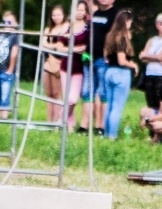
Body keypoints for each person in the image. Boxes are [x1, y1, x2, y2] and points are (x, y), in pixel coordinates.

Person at [78, 0, 118, 136]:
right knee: (87, 91)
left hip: (103, 59)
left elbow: (116, 36)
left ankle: (101, 126)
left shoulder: (115, 14)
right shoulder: (96, 14)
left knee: (102, 92)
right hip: (89, 57)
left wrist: (109, 54)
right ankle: (84, 126)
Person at [102, 10, 139, 140]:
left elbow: (106, 57)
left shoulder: (110, 36)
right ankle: (112, 137)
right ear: (126, 21)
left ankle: (106, 134)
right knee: (117, 108)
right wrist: (133, 65)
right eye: (130, 22)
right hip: (121, 73)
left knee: (109, 106)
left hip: (109, 72)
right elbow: (121, 60)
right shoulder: (122, 38)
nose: (130, 25)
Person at [56, 1, 90, 131]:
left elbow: (89, 46)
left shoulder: (87, 29)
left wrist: (85, 49)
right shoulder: (67, 26)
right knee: (66, 98)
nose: (80, 12)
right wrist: (74, 49)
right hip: (66, 66)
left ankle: (60, 120)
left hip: (79, 68)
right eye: (78, 9)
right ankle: (69, 126)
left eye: (82, 10)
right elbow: (59, 47)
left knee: (73, 99)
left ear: (85, 12)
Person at [138, 12, 162, 110]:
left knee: (160, 103)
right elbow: (142, 58)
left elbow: (160, 57)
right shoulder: (151, 40)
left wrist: (147, 56)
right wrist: (155, 58)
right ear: (157, 24)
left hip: (161, 75)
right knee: (150, 103)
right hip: (149, 74)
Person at [41, 5, 69, 124]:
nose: (56, 17)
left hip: (59, 64)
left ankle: (57, 122)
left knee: (57, 94)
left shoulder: (67, 27)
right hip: (48, 63)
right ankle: (49, 121)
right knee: (49, 94)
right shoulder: (48, 29)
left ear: (63, 15)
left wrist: (50, 46)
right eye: (54, 15)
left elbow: (61, 46)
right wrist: (53, 46)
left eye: (58, 15)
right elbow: (43, 43)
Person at [0, 11, 21, 120]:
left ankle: (4, 118)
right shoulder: (1, 34)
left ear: (15, 23)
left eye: (9, 22)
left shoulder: (15, 36)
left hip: (6, 70)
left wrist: (10, 70)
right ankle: (0, 117)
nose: (6, 24)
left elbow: (14, 54)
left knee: (5, 98)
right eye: (5, 22)